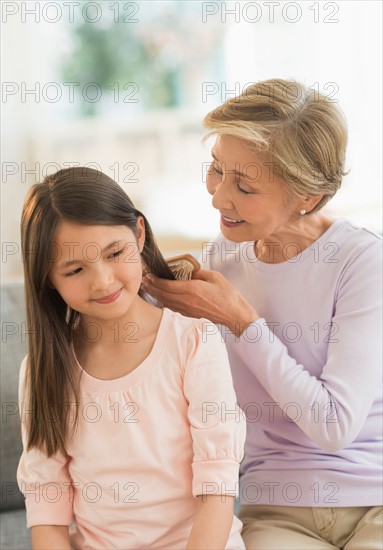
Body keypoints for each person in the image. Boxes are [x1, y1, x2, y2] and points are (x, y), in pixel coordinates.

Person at [142, 79, 383, 550]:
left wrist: (243, 322)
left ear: (307, 196)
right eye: (216, 169)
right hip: (276, 509)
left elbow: (334, 426)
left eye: (245, 186)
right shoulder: (221, 260)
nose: (217, 197)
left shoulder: (361, 262)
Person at [17, 167, 246, 550]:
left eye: (115, 253)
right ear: (47, 279)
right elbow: (46, 503)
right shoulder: (42, 371)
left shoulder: (193, 341)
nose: (103, 281)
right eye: (74, 270)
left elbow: (218, 488)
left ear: (138, 235)